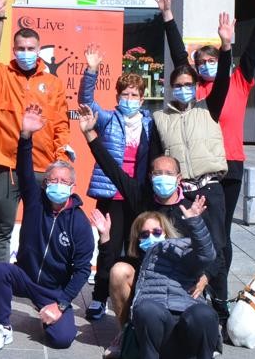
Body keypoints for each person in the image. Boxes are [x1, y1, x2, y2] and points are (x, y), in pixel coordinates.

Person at [156, 0, 255, 330]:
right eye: (202, 62)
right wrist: (168, 16)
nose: (207, 66)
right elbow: (177, 56)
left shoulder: (236, 82)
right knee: (188, 231)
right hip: (197, 171)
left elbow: (253, 52)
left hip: (229, 169)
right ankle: (187, 291)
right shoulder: (195, 90)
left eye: (212, 61)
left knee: (221, 238)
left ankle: (219, 298)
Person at [77, 104, 207, 358]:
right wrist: (89, 134)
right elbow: (112, 169)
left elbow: (216, 249)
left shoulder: (193, 207)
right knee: (119, 270)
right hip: (146, 271)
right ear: (149, 176)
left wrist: (207, 276)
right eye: (157, 173)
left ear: (179, 178)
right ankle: (126, 331)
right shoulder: (141, 197)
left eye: (168, 174)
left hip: (180, 277)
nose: (162, 178)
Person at [0, 0, 71, 265]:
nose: (26, 52)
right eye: (21, 48)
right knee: (1, 230)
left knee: (37, 228)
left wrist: (61, 160)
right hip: (6, 166)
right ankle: (1, 288)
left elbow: (62, 124)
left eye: (31, 48)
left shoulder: (52, 83)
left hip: (42, 167)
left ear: (39, 50)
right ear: (13, 50)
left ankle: (33, 281)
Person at [0, 104, 94, 351]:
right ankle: (2, 326)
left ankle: (48, 313)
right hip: (25, 277)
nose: (57, 184)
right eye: (52, 180)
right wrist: (26, 137)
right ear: (44, 184)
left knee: (62, 340)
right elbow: (23, 170)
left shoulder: (79, 224)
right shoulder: (36, 202)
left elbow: (82, 270)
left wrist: (61, 304)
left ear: (72, 188)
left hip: (53, 291)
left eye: (64, 181)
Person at [149, 10, 233, 332]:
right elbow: (156, 158)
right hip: (181, 191)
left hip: (210, 186)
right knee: (182, 247)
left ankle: (221, 308)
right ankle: (185, 302)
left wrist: (226, 46)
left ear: (197, 86)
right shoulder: (161, 118)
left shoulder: (209, 108)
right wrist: (168, 18)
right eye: (178, 85)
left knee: (218, 247)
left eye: (189, 84)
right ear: (171, 88)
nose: (184, 89)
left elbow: (223, 78)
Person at [76, 43, 153, 321]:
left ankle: (135, 293)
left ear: (142, 99)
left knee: (138, 246)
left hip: (140, 196)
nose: (129, 98)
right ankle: (99, 299)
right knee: (108, 245)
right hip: (112, 193)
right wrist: (92, 70)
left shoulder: (150, 124)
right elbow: (85, 101)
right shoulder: (108, 119)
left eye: (135, 95)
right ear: (118, 97)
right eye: (125, 94)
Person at [95, 207, 219, 359]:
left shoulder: (181, 251)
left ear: (165, 232)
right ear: (138, 238)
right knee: (146, 309)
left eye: (157, 232)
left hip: (187, 319)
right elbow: (108, 270)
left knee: (204, 313)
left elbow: (206, 254)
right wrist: (105, 237)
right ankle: (127, 336)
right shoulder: (138, 260)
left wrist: (195, 222)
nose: (151, 237)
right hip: (156, 321)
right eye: (144, 234)